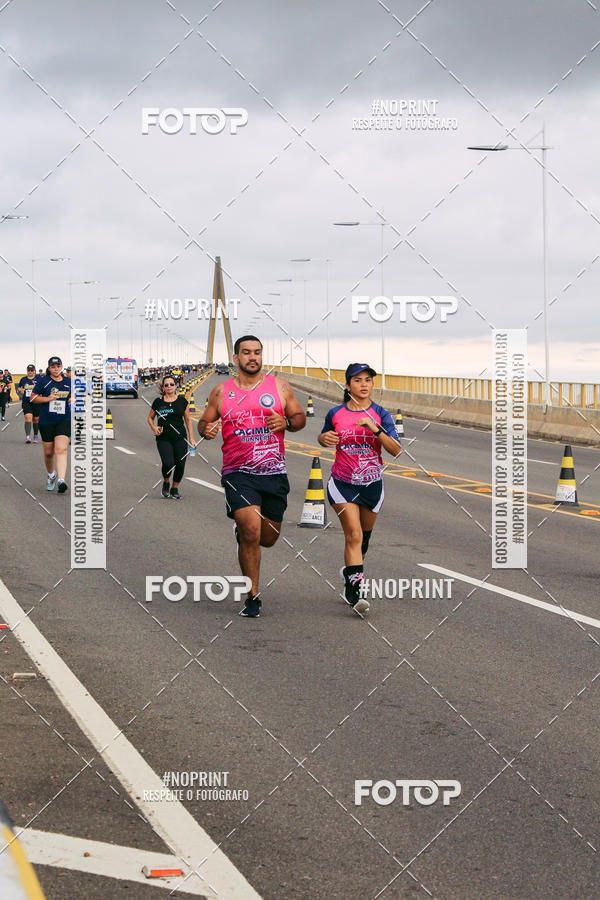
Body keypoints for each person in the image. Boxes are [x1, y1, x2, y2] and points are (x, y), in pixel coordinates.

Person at [198, 335, 305, 618]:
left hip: (273, 473)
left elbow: (299, 417)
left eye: (257, 352)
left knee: (267, 538)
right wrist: (206, 429)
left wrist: (287, 423)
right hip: (238, 472)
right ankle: (252, 596)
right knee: (250, 531)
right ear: (236, 358)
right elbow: (205, 421)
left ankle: (245, 534)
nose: (252, 357)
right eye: (246, 353)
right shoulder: (222, 392)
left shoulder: (279, 387)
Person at [318, 363, 401, 615]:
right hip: (342, 483)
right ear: (348, 385)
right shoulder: (335, 413)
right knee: (353, 535)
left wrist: (375, 430)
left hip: (372, 485)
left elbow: (396, 450)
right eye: (358, 380)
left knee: (363, 541)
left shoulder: (381, 414)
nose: (364, 384)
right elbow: (324, 436)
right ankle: (356, 594)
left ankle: (349, 575)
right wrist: (324, 439)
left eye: (368, 380)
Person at [147, 374, 194, 499]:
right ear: (163, 387)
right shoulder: (158, 402)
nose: (169, 387)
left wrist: (191, 438)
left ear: (176, 385)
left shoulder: (182, 401)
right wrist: (154, 428)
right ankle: (166, 482)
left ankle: (174, 488)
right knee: (168, 463)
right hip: (164, 438)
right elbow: (150, 418)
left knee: (180, 463)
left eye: (171, 384)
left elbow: (188, 420)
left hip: (180, 437)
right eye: (166, 385)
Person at [30, 357, 72, 493]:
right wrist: (48, 398)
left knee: (61, 449)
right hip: (46, 420)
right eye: (53, 366)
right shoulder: (44, 381)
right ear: (49, 368)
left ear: (61, 367)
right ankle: (51, 475)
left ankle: (61, 479)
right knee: (49, 453)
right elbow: (33, 398)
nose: (56, 368)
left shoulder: (68, 382)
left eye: (58, 366)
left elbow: (75, 396)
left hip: (63, 419)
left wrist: (73, 399)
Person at [17, 364, 41, 443]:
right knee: (28, 417)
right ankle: (28, 437)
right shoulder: (23, 379)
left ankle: (35, 435)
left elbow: (43, 387)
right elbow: (19, 387)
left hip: (36, 401)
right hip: (26, 401)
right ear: (27, 371)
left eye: (32, 370)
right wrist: (21, 390)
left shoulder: (39, 378)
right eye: (29, 370)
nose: (30, 372)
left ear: (34, 371)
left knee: (36, 419)